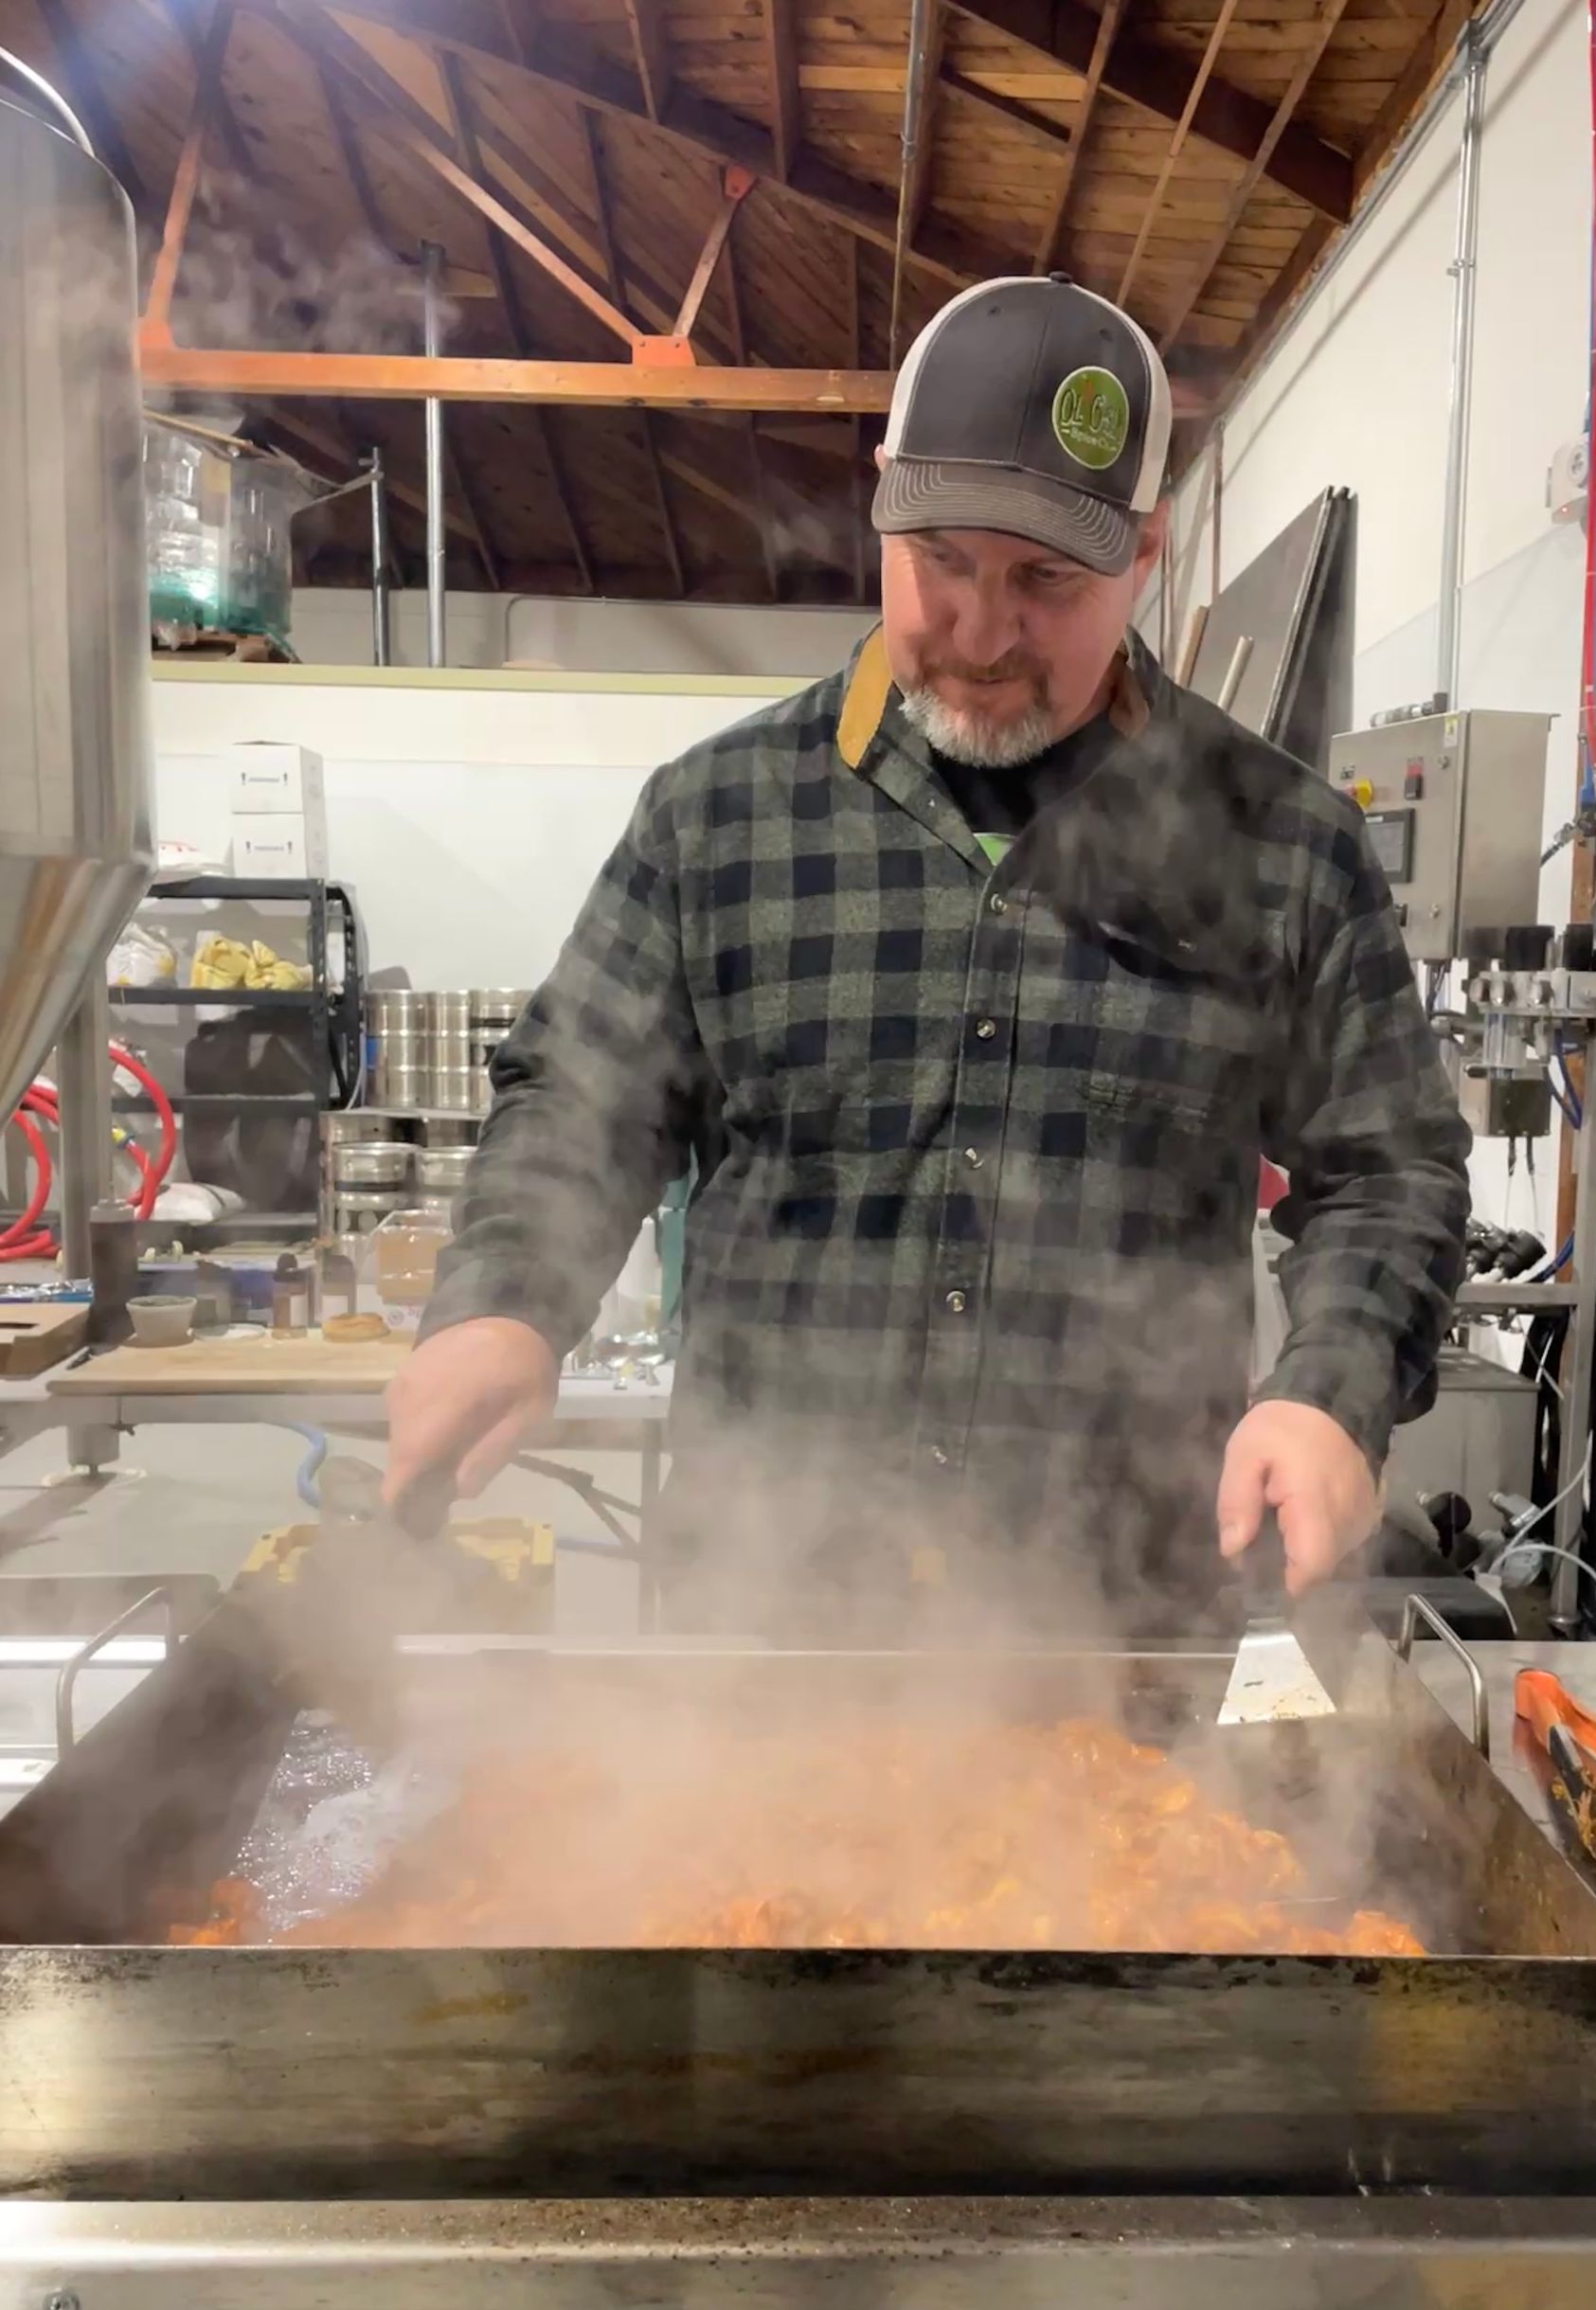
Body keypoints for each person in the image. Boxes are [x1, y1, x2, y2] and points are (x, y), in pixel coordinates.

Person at [387, 273, 1470, 1626]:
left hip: (1112, 1636)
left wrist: (1331, 1392)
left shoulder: (1283, 849)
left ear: (1147, 555)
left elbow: (1390, 1172)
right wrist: (505, 1302)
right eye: (942, 560)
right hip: (765, 1638)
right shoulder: (717, 816)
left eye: (1047, 582)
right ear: (880, 493)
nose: (980, 629)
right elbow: (579, 1102)